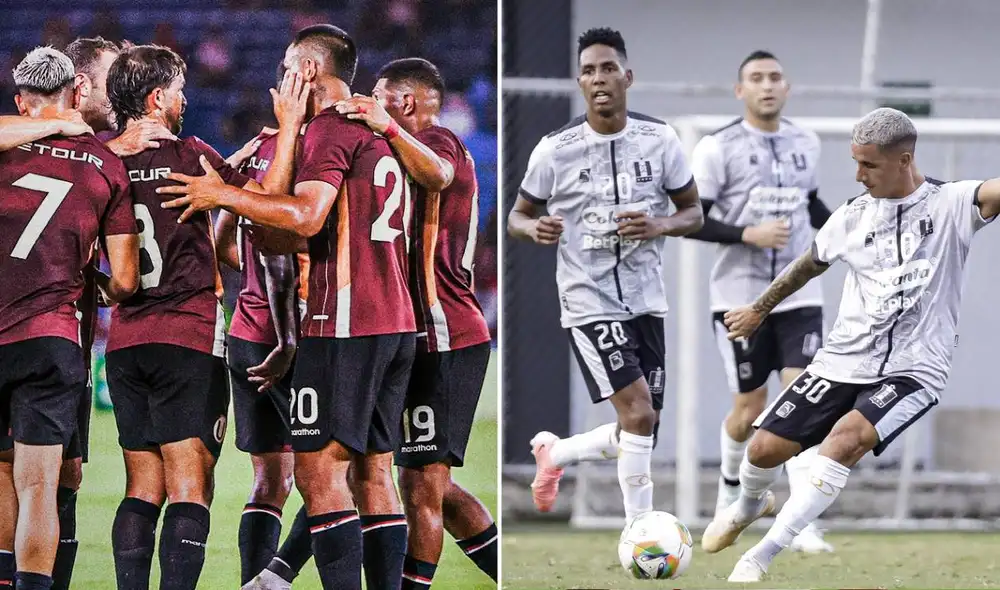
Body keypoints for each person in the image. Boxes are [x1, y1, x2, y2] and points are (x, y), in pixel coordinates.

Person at [158, 25, 415, 590]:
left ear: (307, 71)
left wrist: (221, 193)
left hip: (342, 322)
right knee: (374, 475)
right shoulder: (376, 128)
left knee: (319, 476)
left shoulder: (327, 130)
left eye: (285, 67)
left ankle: (276, 579)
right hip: (394, 320)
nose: (279, 78)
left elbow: (301, 220)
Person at [703, 107, 1000, 582]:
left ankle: (760, 555)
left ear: (904, 160)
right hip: (843, 360)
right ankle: (745, 507)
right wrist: (759, 308)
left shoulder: (952, 204)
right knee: (760, 451)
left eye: (869, 165)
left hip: (914, 369)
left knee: (844, 441)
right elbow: (809, 264)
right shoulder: (851, 216)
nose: (858, 176)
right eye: (855, 163)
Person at [103, 44, 304, 590]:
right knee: (191, 487)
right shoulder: (191, 155)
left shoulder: (105, 161)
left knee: (141, 488)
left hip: (123, 341)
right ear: (158, 97)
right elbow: (268, 203)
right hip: (187, 337)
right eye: (179, 89)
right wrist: (284, 131)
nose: (186, 99)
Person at [506, 27, 703, 526]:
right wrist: (535, 227)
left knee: (643, 427)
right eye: (590, 70)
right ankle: (641, 531)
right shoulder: (555, 149)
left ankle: (559, 453)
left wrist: (659, 223)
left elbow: (693, 212)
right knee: (638, 413)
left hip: (646, 299)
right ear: (579, 81)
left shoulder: (659, 140)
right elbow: (517, 215)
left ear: (626, 76)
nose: (599, 78)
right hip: (587, 299)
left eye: (608, 68)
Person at [0, 37, 175, 590]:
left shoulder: (7, 146)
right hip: (51, 337)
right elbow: (124, 278)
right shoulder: (102, 161)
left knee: (2, 478)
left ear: (21, 99)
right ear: (75, 91)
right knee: (39, 486)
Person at [335, 57, 498, 589]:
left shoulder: (441, 141)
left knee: (420, 485)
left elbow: (439, 172)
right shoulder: (401, 152)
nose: (372, 103)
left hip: (444, 332)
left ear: (404, 103)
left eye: (380, 96)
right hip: (413, 333)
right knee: (421, 481)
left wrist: (377, 125)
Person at [686, 49, 832, 553]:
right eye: (756, 78)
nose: (767, 85)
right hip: (737, 297)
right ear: (740, 90)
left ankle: (799, 519)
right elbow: (692, 219)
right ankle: (731, 490)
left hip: (799, 292)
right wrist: (749, 233)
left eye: (775, 77)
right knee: (750, 410)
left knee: (802, 396)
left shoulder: (806, 143)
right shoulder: (716, 147)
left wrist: (852, 233)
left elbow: (812, 204)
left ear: (786, 88)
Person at [213, 66, 313, 588]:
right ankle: (276, 577)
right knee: (337, 476)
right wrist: (289, 337)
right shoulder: (299, 153)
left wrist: (245, 275)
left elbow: (223, 241)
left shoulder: (256, 151)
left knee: (270, 479)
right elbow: (277, 253)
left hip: (246, 327)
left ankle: (256, 581)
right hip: (290, 335)